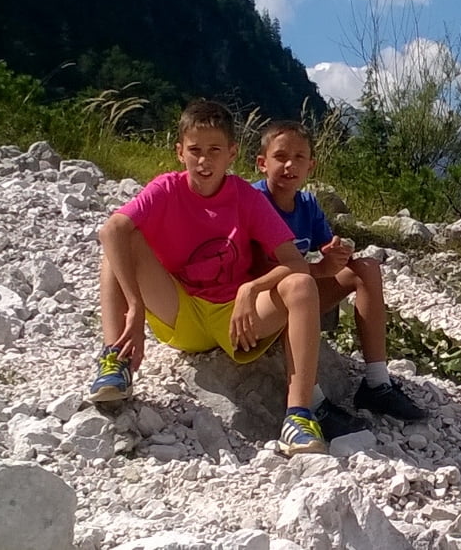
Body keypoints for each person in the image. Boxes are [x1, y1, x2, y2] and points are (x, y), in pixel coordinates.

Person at [88, 99, 339, 455]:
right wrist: (135, 307)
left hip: (236, 319)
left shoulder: (246, 198)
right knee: (120, 241)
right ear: (180, 152)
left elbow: (295, 262)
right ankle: (116, 358)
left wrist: (251, 288)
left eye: (214, 150)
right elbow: (111, 230)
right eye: (195, 150)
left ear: (231, 153)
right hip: (180, 309)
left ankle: (298, 416)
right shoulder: (166, 189)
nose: (204, 161)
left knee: (300, 285)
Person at [253, 120, 427, 436]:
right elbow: (254, 269)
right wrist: (319, 270)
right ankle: (313, 403)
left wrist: (336, 253)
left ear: (311, 166)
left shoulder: (307, 203)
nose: (290, 165)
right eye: (281, 157)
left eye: (299, 157)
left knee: (366, 268)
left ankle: (377, 382)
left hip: (299, 292)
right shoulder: (253, 201)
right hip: (264, 301)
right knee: (299, 288)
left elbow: (326, 247)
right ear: (262, 163)